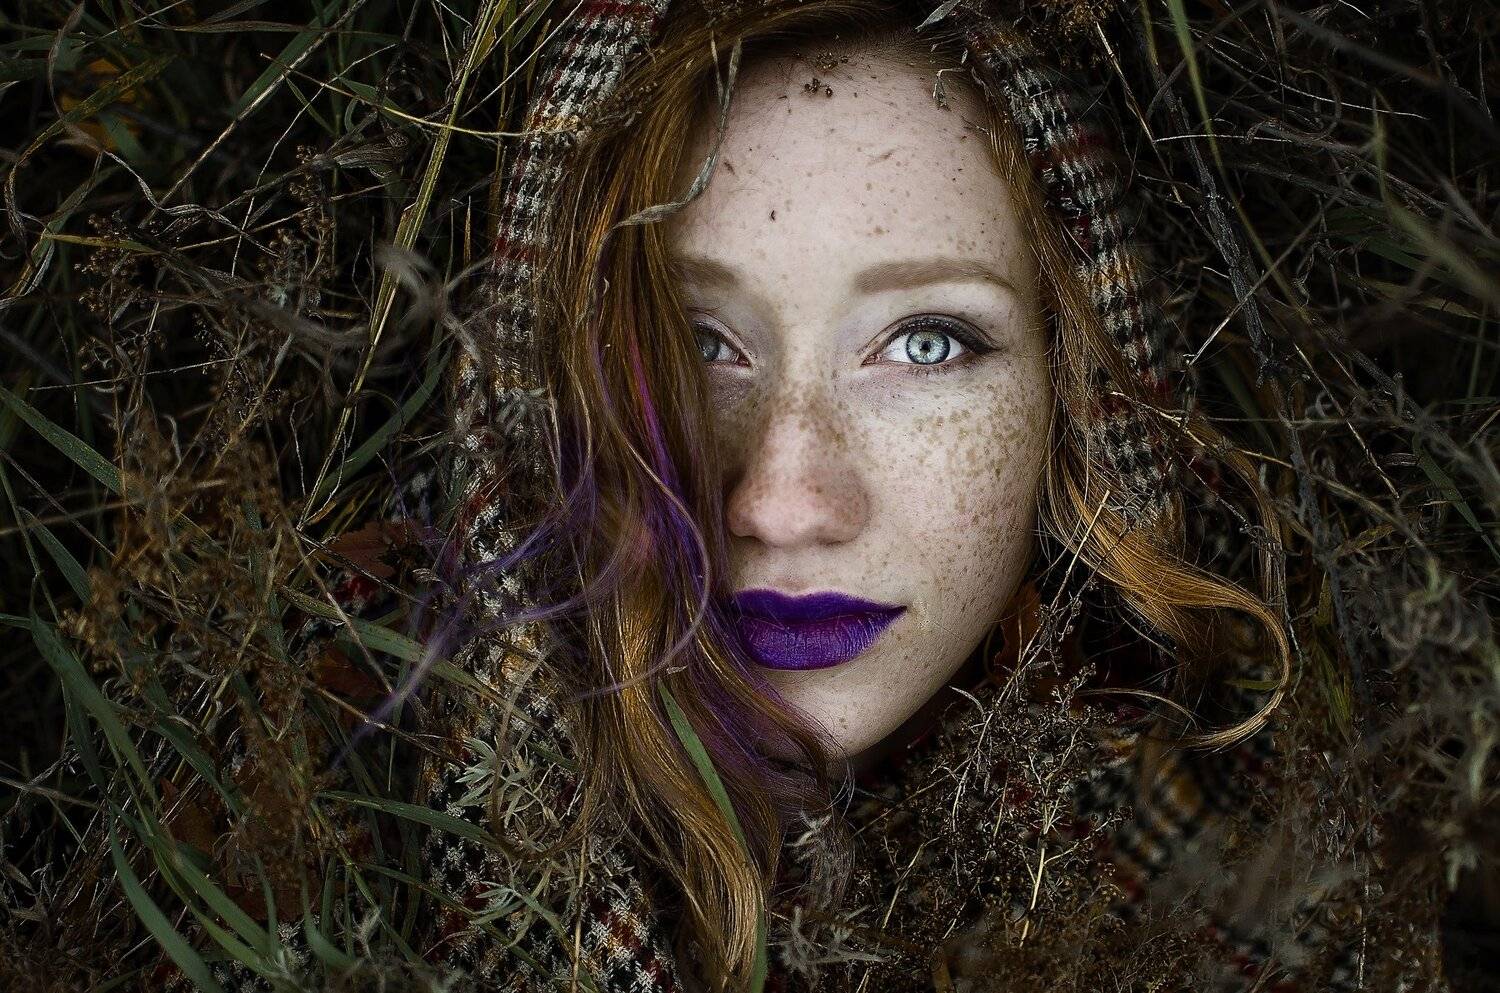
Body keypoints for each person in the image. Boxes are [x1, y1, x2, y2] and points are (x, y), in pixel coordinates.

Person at [199, 1, 1390, 991]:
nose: (781, 502)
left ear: (1077, 401)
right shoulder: (293, 761)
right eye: (695, 340)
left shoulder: (1229, 874)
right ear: (546, 374)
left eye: (926, 342)